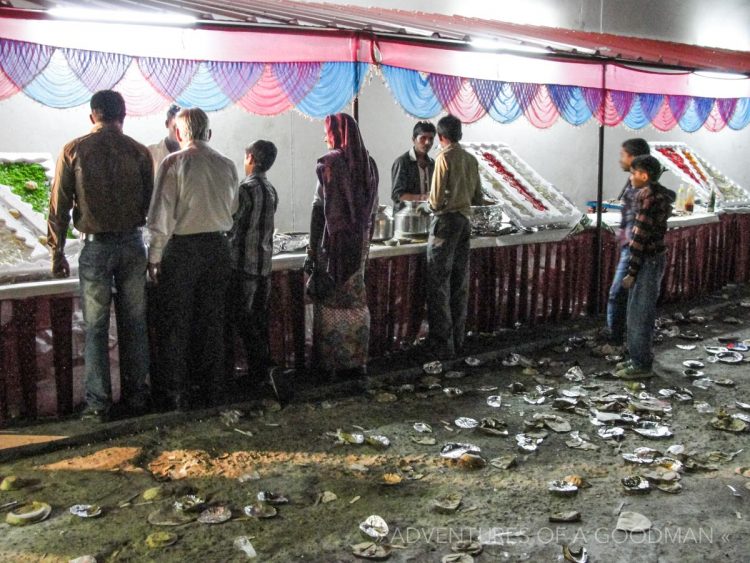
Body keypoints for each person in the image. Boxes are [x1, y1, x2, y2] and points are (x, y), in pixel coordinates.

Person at [47, 90, 154, 422]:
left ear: (92, 115)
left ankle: (98, 404)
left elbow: (58, 206)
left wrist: (56, 251)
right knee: (134, 324)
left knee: (95, 327)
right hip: (133, 244)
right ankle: (137, 397)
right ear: (124, 115)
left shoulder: (74, 150)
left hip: (94, 247)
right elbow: (149, 204)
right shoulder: (139, 152)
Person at [147, 108, 239, 410]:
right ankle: (213, 389)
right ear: (209, 133)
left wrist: (154, 257)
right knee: (213, 320)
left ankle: (178, 392)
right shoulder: (227, 165)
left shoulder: (173, 162)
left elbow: (160, 215)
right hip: (218, 249)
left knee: (178, 322)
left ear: (179, 133)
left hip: (184, 250)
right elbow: (233, 208)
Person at [305, 113, 379, 378]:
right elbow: (372, 209)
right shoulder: (368, 163)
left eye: (327, 132)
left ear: (336, 133)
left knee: (331, 303)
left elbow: (318, 211)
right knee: (355, 301)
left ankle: (332, 366)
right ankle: (357, 362)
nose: (325, 137)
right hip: (360, 245)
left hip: (333, 245)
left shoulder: (330, 164)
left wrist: (313, 250)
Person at [426, 114, 484, 359]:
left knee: (439, 284)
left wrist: (427, 206)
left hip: (445, 224)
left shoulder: (444, 158)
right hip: (465, 223)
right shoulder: (471, 160)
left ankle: (442, 346)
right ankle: (458, 340)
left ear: (441, 137)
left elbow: (436, 201)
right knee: (459, 283)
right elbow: (478, 198)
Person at [616, 155, 675, 379]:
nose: (630, 178)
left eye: (633, 173)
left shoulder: (649, 198)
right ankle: (637, 359)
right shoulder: (659, 194)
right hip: (652, 259)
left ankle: (641, 364)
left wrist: (631, 272)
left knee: (639, 315)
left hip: (647, 261)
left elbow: (639, 238)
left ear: (644, 175)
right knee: (637, 312)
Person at [227, 140, 279, 387]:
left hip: (244, 267)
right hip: (264, 269)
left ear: (250, 158)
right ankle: (262, 374)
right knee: (258, 320)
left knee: (242, 319)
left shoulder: (244, 190)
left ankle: (263, 367)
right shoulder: (271, 190)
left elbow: (231, 226)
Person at [605, 138, 651, 346]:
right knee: (629, 297)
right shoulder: (636, 185)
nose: (620, 160)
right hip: (632, 247)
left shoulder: (645, 191)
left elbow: (640, 226)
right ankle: (624, 339)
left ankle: (617, 342)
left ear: (633, 158)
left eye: (623, 155)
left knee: (619, 294)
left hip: (635, 249)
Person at [391, 121, 436, 210]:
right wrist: (422, 198)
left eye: (431, 139)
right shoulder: (402, 162)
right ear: (413, 139)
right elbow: (397, 195)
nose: (427, 142)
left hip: (427, 217)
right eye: (423, 138)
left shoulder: (432, 164)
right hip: (406, 218)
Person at [147, 104, 181, 171]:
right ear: (166, 123)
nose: (179, 131)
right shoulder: (151, 152)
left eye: (184, 127)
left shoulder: (192, 157)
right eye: (176, 127)